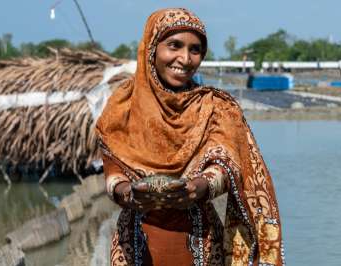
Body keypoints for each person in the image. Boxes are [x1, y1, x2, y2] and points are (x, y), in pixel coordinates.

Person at [95, 7, 284, 266]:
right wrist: (130, 193)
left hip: (203, 245)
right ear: (152, 48)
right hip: (134, 245)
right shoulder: (122, 107)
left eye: (195, 50)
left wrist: (202, 186)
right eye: (174, 46)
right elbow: (113, 175)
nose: (185, 59)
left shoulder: (215, 106)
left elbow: (228, 163)